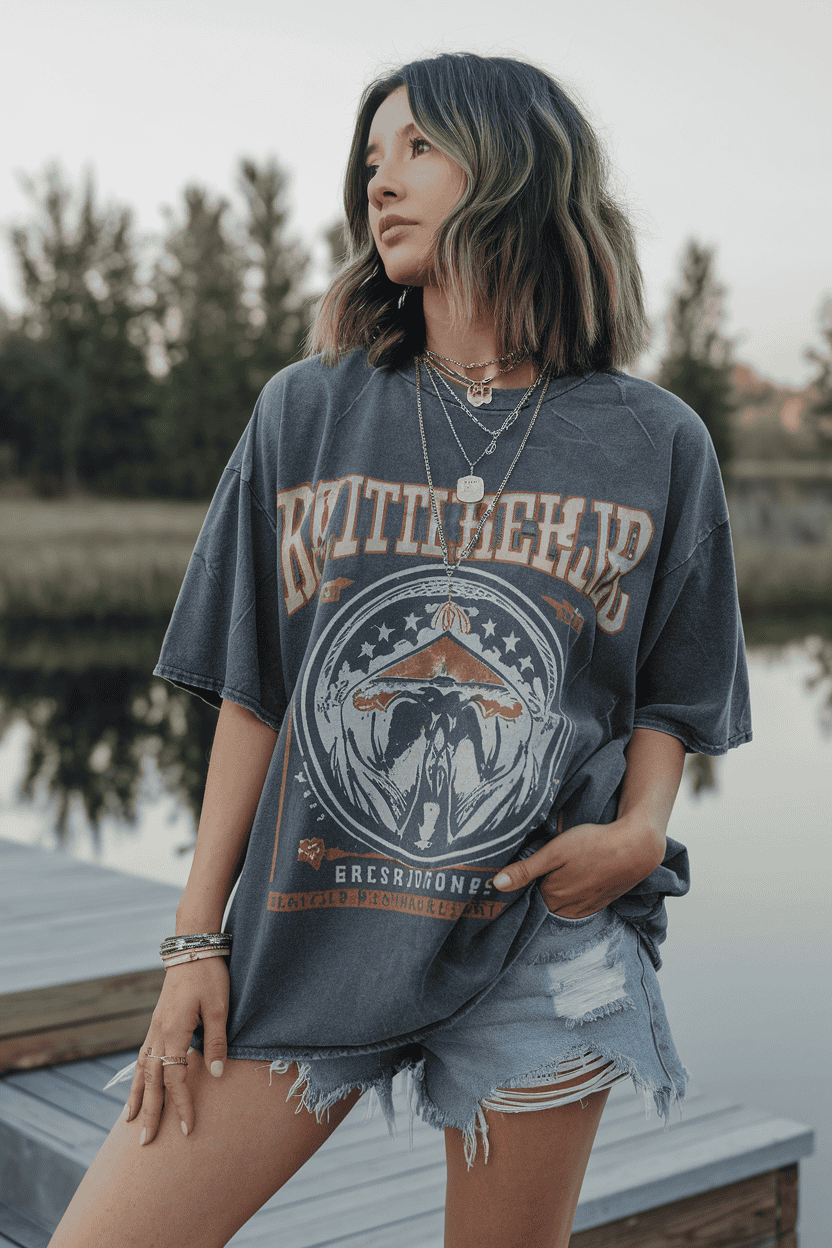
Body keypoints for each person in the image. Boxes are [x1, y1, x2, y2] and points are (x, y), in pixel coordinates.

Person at [48, 51, 751, 1248]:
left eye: (417, 147)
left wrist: (638, 833)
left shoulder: (656, 441)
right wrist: (192, 941)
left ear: (518, 165)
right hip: (313, 924)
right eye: (370, 160)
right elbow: (253, 688)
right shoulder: (307, 409)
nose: (380, 183)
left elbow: (676, 692)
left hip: (542, 939)